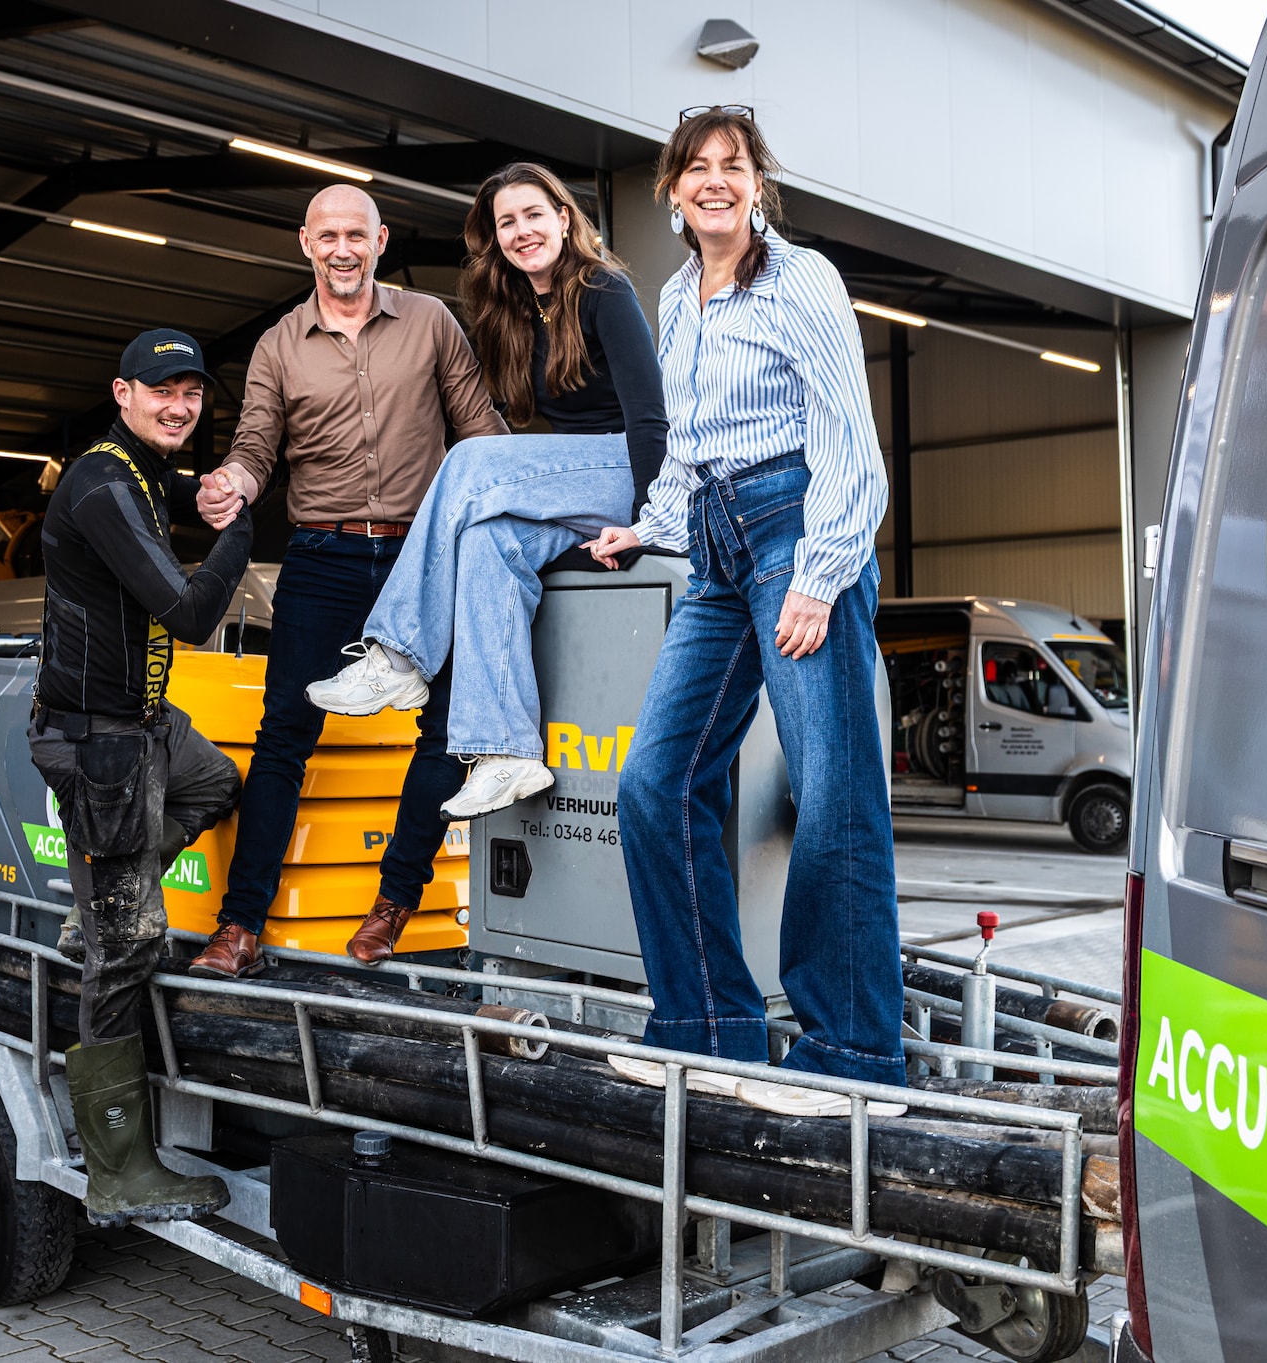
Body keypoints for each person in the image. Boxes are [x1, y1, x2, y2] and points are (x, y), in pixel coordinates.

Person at [585, 107, 903, 1088]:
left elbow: (849, 437)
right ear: (670, 191)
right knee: (655, 783)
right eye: (696, 168)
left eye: (732, 166)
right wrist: (651, 525)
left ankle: (851, 1050)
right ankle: (705, 1024)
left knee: (833, 789)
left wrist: (821, 569)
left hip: (793, 529)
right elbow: (686, 449)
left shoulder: (799, 281)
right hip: (719, 549)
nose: (713, 181)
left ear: (756, 185)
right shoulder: (676, 298)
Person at [187, 184, 509, 978]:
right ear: (305, 242)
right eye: (327, 234)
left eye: (355, 234)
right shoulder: (277, 346)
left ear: (380, 239)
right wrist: (231, 479)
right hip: (323, 560)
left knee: (446, 733)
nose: (342, 248)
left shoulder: (431, 322)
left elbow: (481, 435)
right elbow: (257, 445)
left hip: (425, 558)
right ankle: (239, 925)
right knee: (284, 739)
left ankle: (395, 899)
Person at [304, 164, 668, 817]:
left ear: (563, 218)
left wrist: (649, 524)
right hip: (576, 482)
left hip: (630, 468)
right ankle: (506, 752)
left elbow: (650, 418)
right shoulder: (518, 311)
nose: (522, 231)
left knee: (472, 463)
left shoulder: (603, 290)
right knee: (488, 540)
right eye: (507, 222)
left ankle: (399, 650)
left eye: (534, 214)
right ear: (495, 239)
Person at [28, 328, 252, 1225]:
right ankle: (120, 1167)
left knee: (215, 784)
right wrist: (237, 531)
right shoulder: (102, 482)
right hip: (101, 745)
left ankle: (101, 897)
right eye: (163, 389)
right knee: (128, 956)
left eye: (193, 391)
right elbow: (192, 612)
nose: (180, 404)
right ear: (122, 393)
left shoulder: (143, 478)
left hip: (149, 726)